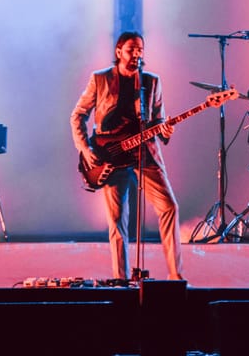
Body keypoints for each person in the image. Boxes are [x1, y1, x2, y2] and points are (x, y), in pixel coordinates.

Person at [71, 31, 184, 281]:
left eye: (141, 49)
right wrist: (85, 149)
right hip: (109, 155)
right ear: (119, 51)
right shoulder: (99, 79)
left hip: (144, 152)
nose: (137, 54)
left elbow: (159, 120)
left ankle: (176, 276)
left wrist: (165, 131)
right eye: (132, 49)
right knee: (117, 218)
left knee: (169, 207)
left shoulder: (151, 82)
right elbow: (78, 115)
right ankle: (120, 279)